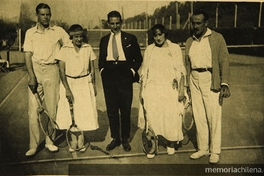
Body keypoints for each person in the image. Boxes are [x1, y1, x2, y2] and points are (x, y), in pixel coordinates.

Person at [23, 3, 70, 156]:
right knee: (33, 111)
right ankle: (33, 145)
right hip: (36, 70)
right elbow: (27, 55)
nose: (45, 17)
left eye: (48, 14)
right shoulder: (30, 33)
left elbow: (69, 46)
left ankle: (50, 141)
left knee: (51, 109)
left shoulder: (58, 31)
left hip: (52, 70)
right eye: (42, 14)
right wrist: (31, 76)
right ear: (37, 15)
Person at [185, 10, 231, 164]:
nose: (195, 26)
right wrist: (187, 85)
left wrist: (224, 83)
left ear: (206, 23)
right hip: (194, 79)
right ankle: (203, 148)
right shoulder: (189, 41)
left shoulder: (217, 38)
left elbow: (224, 61)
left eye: (199, 23)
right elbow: (187, 64)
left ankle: (215, 151)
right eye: (193, 23)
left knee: (213, 117)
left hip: (211, 79)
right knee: (199, 116)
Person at [138, 24, 186, 158]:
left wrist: (181, 90)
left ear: (165, 34)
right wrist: (141, 91)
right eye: (155, 35)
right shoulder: (149, 49)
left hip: (170, 88)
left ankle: (170, 144)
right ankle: (152, 146)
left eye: (160, 34)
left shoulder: (175, 48)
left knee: (170, 116)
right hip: (152, 88)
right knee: (153, 117)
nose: (158, 38)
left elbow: (181, 71)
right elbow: (144, 72)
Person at [99, 10, 142, 152]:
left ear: (121, 22)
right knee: (112, 110)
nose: (115, 26)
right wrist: (103, 71)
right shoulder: (104, 40)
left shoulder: (130, 38)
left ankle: (124, 138)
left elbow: (138, 58)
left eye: (117, 23)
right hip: (109, 74)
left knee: (125, 109)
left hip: (124, 73)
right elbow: (101, 60)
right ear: (108, 23)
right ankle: (115, 138)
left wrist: (131, 71)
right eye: (112, 23)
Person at [55, 24, 98, 152]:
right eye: (76, 37)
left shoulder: (88, 48)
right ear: (71, 37)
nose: (79, 39)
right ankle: (73, 141)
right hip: (69, 83)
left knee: (83, 112)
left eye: (80, 36)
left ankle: (81, 141)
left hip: (85, 83)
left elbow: (92, 69)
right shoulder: (64, 49)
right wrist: (67, 89)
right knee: (70, 113)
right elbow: (61, 71)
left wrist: (93, 85)